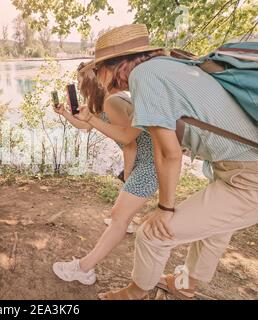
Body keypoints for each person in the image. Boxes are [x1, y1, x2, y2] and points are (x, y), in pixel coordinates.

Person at [82, 24, 257, 300]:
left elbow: (168, 153)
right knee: (216, 231)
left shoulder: (143, 76)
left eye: (98, 69)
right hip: (238, 168)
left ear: (116, 65)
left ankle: (135, 292)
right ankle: (186, 284)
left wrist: (166, 207)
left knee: (153, 234)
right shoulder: (171, 64)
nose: (99, 78)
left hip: (249, 178)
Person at [52, 62, 159, 285]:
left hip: (148, 163)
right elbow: (86, 126)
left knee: (117, 216)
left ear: (92, 79)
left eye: (81, 78)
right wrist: (64, 113)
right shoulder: (105, 103)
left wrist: (127, 173)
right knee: (119, 213)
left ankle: (83, 269)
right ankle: (125, 221)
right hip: (147, 160)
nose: (78, 84)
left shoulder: (112, 101)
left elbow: (129, 141)